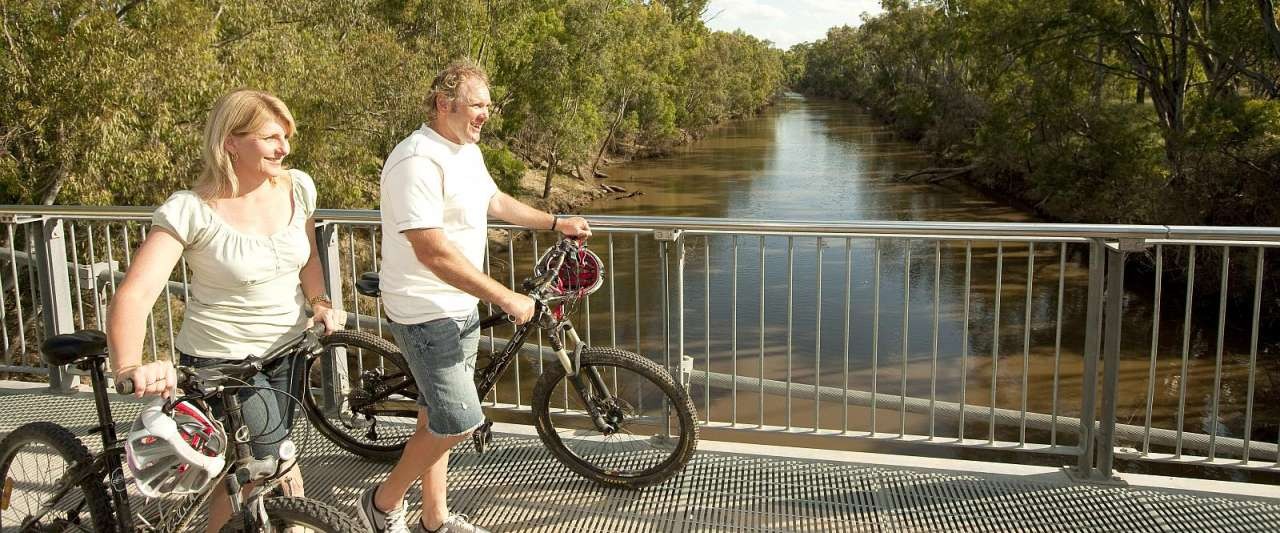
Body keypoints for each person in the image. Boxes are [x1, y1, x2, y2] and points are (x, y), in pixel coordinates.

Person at [358, 59, 590, 533]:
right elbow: (432, 252)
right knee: (459, 421)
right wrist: (505, 296)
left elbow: (496, 202)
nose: (486, 114)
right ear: (445, 105)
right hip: (425, 311)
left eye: (488, 106)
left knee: (433, 418)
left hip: (458, 307)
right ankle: (380, 506)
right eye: (478, 106)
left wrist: (553, 221)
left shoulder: (466, 150)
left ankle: (435, 519)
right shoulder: (416, 160)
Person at [105, 89, 345, 532]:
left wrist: (320, 302)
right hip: (223, 363)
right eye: (272, 137)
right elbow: (134, 295)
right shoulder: (192, 211)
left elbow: (308, 258)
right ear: (231, 141)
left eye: (287, 137)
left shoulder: (298, 187)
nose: (284, 148)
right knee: (273, 460)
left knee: (244, 471)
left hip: (286, 352)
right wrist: (129, 365)